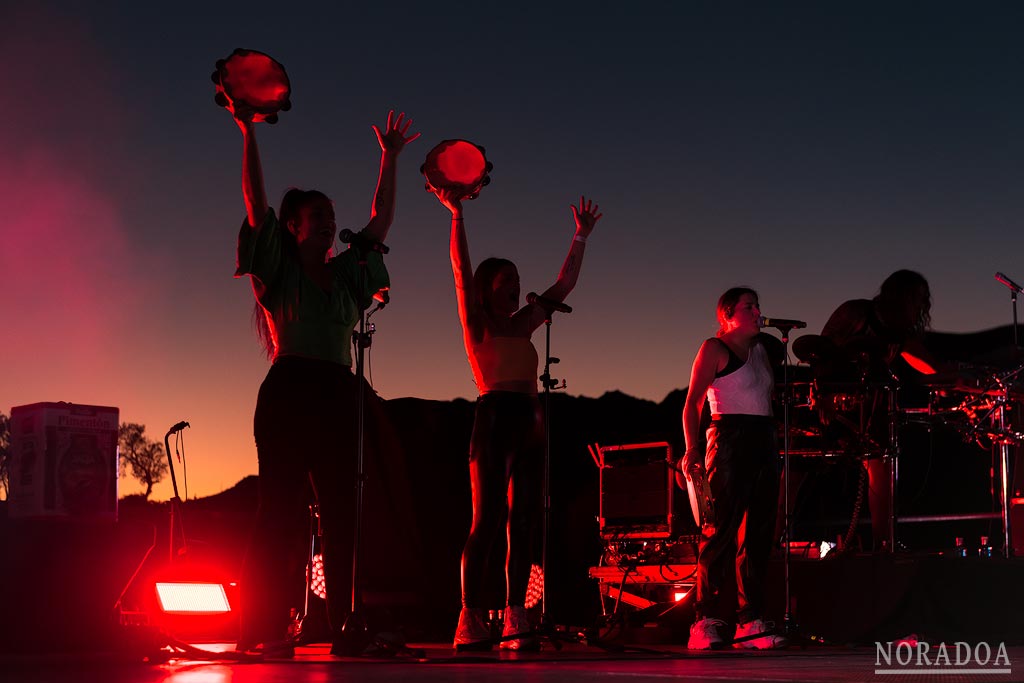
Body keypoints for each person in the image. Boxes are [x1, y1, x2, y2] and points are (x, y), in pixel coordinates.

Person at [227, 103, 419, 656]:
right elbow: (255, 203)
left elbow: (380, 222)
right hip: (290, 393)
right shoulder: (280, 272)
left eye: (334, 215)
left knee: (342, 515)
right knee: (278, 516)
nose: (332, 222)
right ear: (295, 225)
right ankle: (263, 629)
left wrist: (390, 157)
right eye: (319, 215)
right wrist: (249, 132)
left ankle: (345, 627)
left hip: (338, 394)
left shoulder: (346, 277)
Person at [432, 188, 601, 650]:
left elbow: (564, 286)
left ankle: (515, 615)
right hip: (494, 418)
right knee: (487, 519)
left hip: (531, 419)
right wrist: (457, 217)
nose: (514, 284)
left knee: (524, 520)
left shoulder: (526, 322)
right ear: (488, 287)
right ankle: (468, 616)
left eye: (518, 278)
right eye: (506, 278)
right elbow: (460, 272)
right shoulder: (478, 322)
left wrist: (580, 237)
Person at [679, 287, 784, 650]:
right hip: (728, 438)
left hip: (763, 438)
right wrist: (692, 447)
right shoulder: (714, 347)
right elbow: (692, 402)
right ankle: (704, 620)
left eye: (758, 305)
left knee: (757, 533)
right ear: (727, 314)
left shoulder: (760, 351)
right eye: (749, 306)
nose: (758, 312)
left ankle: (749, 622)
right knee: (720, 531)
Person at [819, 269, 939, 551]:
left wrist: (951, 377)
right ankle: (773, 541)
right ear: (902, 296)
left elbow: (927, 364)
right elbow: (820, 350)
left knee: (881, 470)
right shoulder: (856, 312)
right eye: (918, 298)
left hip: (873, 407)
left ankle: (883, 545)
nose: (924, 305)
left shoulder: (899, 333)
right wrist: (823, 393)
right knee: (800, 467)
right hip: (835, 403)